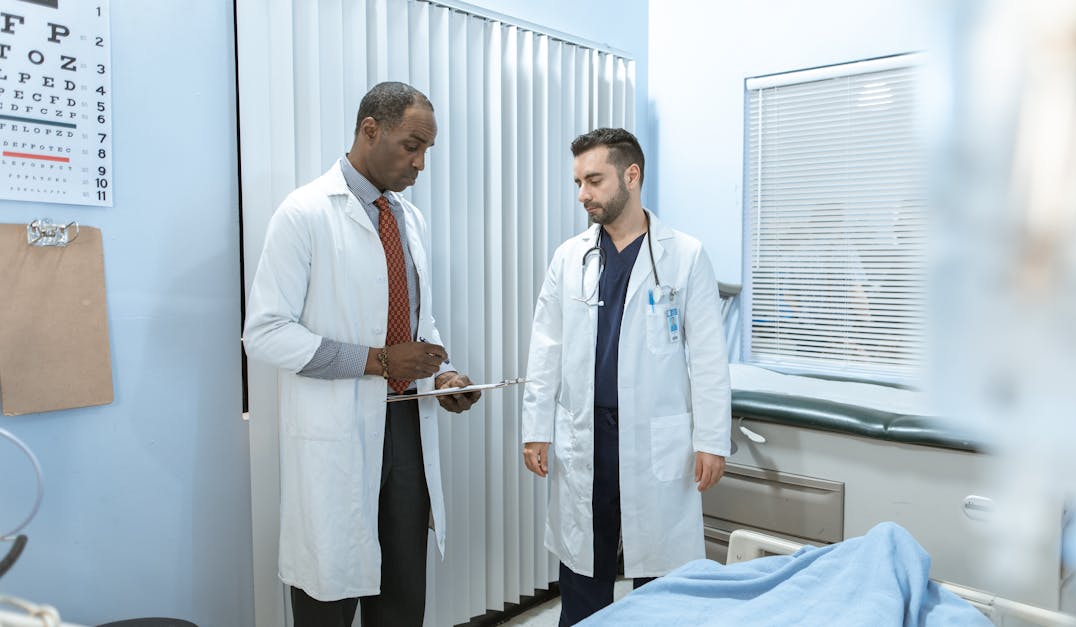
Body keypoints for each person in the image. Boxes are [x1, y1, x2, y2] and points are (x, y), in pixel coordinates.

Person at [243, 81, 481, 627]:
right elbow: (265, 332)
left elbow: (421, 324)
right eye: (411, 145)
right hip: (336, 432)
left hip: (405, 429)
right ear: (370, 129)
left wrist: (442, 373)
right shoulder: (304, 212)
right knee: (327, 597)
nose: (420, 163)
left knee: (401, 595)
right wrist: (378, 362)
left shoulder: (408, 220)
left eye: (427, 150)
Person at [521, 128, 732, 625]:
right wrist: (535, 428)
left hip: (656, 435)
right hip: (585, 432)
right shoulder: (570, 256)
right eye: (578, 181)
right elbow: (545, 345)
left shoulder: (685, 255)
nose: (583, 195)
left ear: (631, 176)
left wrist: (712, 440)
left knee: (659, 570)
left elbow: (706, 356)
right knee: (583, 564)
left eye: (593, 180)